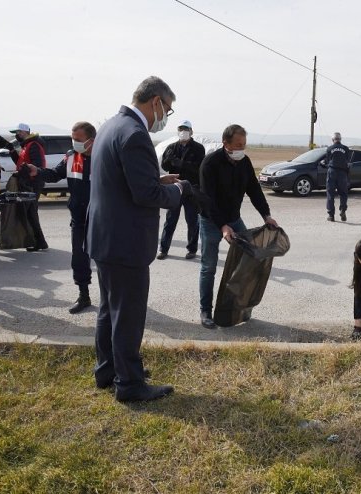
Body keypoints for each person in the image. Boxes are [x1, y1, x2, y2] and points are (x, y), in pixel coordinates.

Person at [87, 75, 192, 402]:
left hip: (106, 237)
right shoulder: (135, 134)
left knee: (110, 310)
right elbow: (146, 195)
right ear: (156, 101)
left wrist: (155, 177)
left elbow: (121, 177)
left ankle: (108, 370)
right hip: (125, 241)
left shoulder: (110, 126)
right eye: (168, 109)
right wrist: (175, 190)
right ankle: (130, 384)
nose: (166, 117)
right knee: (128, 315)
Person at [198, 124, 279, 329]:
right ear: (226, 144)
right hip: (210, 221)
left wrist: (266, 215)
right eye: (238, 145)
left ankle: (241, 306)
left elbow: (254, 190)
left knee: (249, 260)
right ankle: (205, 311)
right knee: (208, 267)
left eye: (244, 145)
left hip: (234, 219)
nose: (242, 149)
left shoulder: (244, 161)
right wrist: (223, 226)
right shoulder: (210, 164)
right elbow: (207, 200)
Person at [33, 121, 96, 314]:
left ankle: (114, 299)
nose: (74, 142)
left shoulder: (105, 157)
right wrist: (37, 172)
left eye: (78, 139)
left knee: (106, 260)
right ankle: (83, 295)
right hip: (78, 216)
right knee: (79, 258)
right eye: (72, 138)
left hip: (100, 218)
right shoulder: (71, 157)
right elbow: (54, 175)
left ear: (91, 140)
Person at [157, 120, 205, 260]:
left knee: (192, 220)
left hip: (191, 189)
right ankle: (163, 249)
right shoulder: (171, 147)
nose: (183, 131)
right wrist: (169, 160)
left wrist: (180, 163)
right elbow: (165, 167)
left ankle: (192, 249)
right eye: (181, 129)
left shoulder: (198, 148)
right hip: (174, 189)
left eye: (186, 129)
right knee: (170, 220)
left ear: (191, 131)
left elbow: (198, 169)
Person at [8, 123, 48, 250]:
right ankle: (39, 241)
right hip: (28, 182)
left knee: (30, 212)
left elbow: (37, 165)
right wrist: (13, 152)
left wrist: (20, 173)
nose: (16, 135)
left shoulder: (33, 145)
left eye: (18, 132)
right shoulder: (27, 145)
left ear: (25, 132)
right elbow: (21, 163)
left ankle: (38, 241)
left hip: (33, 183)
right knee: (30, 212)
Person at [323, 132, 351, 222]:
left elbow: (327, 161)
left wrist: (324, 163)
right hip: (342, 173)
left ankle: (331, 216)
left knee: (330, 193)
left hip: (332, 172)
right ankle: (343, 210)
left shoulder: (329, 148)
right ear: (340, 139)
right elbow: (348, 161)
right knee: (343, 193)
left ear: (333, 140)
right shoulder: (346, 149)